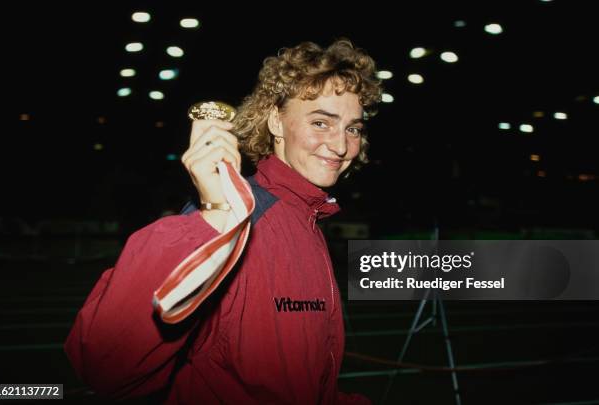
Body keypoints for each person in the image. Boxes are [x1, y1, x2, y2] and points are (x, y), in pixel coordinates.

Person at [65, 38, 382, 404]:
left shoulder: (307, 219)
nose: (341, 145)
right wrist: (214, 215)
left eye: (353, 128)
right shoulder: (236, 213)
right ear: (276, 121)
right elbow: (107, 366)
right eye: (321, 122)